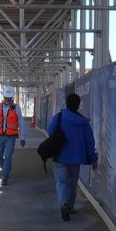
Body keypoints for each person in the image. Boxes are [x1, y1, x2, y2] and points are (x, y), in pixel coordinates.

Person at [46, 92, 97, 221]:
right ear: (78, 106)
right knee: (73, 184)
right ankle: (71, 207)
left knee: (62, 182)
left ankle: (64, 204)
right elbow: (90, 142)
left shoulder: (59, 117)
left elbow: (50, 130)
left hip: (60, 156)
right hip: (76, 158)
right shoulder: (84, 122)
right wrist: (93, 159)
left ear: (66, 104)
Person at [0, 86, 27, 185]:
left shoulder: (16, 107)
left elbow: (21, 122)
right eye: (6, 97)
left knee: (8, 156)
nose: (8, 99)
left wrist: (22, 137)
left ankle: (4, 177)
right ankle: (7, 168)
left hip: (11, 136)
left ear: (12, 97)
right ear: (3, 97)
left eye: (9, 98)